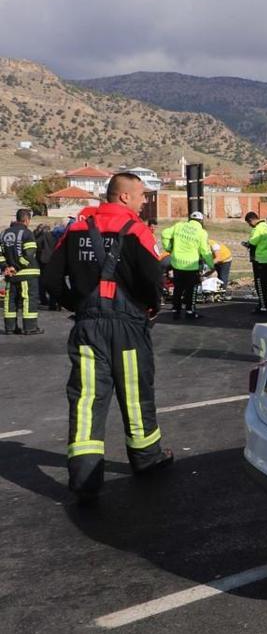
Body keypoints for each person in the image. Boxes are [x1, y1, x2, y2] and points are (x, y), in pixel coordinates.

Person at [43, 172, 173, 502]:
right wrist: (150, 308)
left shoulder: (75, 228)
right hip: (128, 327)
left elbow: (51, 279)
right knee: (136, 393)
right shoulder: (138, 231)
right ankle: (146, 459)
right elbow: (154, 277)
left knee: (86, 401)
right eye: (142, 195)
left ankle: (85, 480)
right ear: (125, 196)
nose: (145, 201)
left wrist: (77, 305)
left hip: (88, 327)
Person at [161, 211, 213, 320]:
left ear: (190, 219)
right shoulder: (202, 232)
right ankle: (190, 312)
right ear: (201, 221)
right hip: (191, 265)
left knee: (178, 289)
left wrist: (168, 248)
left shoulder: (179, 226)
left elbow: (165, 233)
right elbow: (204, 250)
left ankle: (176, 311)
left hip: (177, 264)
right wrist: (211, 264)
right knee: (191, 290)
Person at [2, 208, 42, 334]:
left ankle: (10, 328)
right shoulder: (27, 233)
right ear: (26, 220)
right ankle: (30, 328)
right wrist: (16, 267)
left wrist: (5, 267)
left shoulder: (4, 234)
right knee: (29, 299)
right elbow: (30, 254)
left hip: (10, 275)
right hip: (27, 274)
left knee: (10, 300)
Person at [243, 212, 267, 315]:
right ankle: (263, 304)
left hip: (259, 260)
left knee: (260, 285)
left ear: (251, 220)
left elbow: (253, 242)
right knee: (265, 283)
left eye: (249, 223)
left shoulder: (257, 229)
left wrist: (246, 244)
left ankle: (263, 306)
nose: (249, 225)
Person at [34, 223, 58, 310]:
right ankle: (53, 302)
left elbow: (37, 245)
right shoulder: (54, 236)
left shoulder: (42, 236)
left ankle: (43, 299)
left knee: (41, 282)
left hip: (42, 261)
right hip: (52, 261)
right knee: (52, 282)